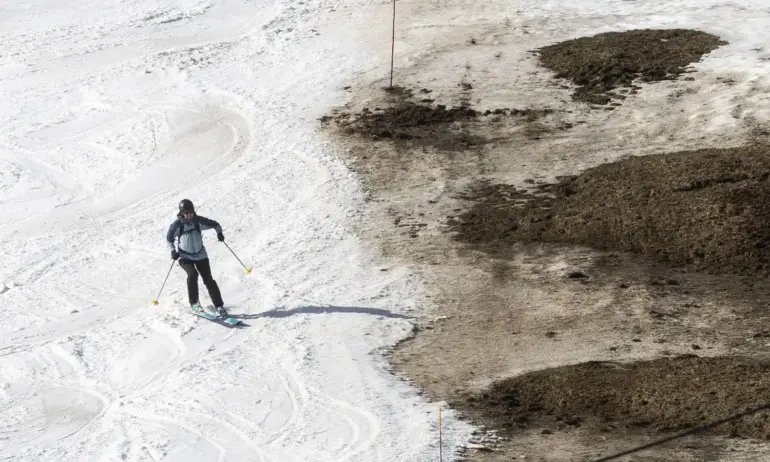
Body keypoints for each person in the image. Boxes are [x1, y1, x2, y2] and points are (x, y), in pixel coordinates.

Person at [166, 199, 228, 317]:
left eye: (191, 212)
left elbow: (215, 224)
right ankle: (194, 303)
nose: (189, 215)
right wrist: (173, 251)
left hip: (201, 255)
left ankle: (219, 306)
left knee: (208, 279)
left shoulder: (198, 221)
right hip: (185, 256)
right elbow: (169, 239)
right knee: (193, 275)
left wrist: (219, 233)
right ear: (182, 213)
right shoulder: (177, 225)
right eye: (187, 213)